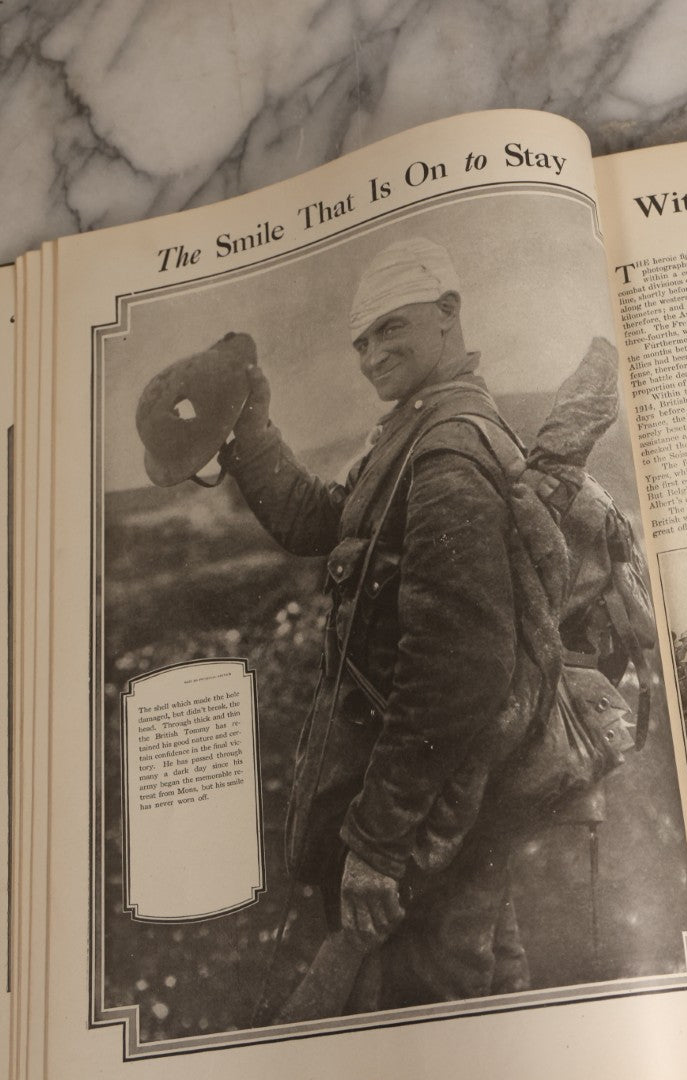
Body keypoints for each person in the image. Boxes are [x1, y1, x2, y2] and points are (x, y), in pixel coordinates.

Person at [224, 237, 540, 1009]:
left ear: (447, 315)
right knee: (482, 986)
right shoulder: (413, 432)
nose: (370, 355)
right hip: (443, 811)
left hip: (429, 823)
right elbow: (323, 524)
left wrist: (377, 844)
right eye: (360, 340)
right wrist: (247, 432)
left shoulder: (444, 455)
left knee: (431, 1005)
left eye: (390, 330)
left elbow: (458, 672)